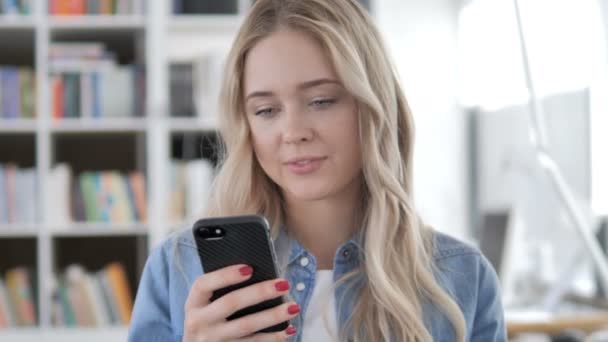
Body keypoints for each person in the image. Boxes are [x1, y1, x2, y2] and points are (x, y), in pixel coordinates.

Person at [128, 0, 506, 341]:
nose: (293, 133)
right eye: (266, 110)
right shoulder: (177, 271)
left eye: (321, 101)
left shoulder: (462, 279)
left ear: (373, 106)